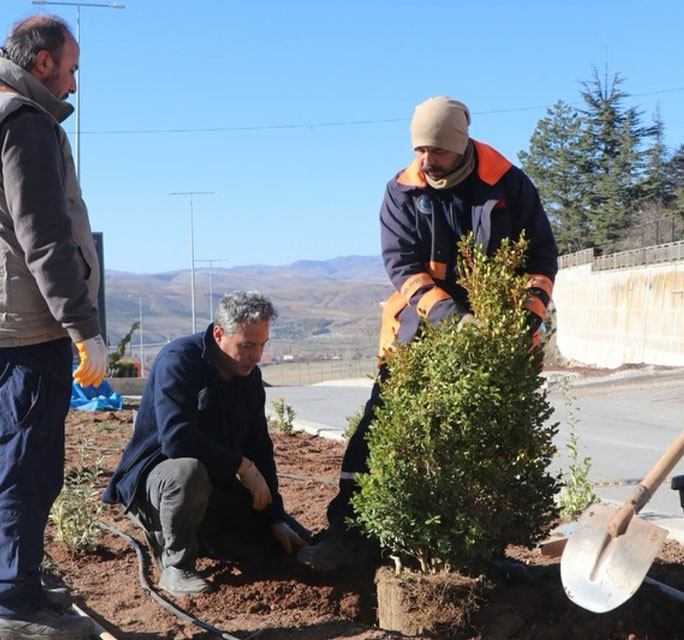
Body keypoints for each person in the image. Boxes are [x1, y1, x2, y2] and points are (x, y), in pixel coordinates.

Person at [297, 96, 558, 571]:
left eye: (436, 151)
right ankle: (349, 536)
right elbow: (403, 266)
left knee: (487, 440)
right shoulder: (401, 191)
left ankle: (480, 550)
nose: (425, 160)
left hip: (498, 337)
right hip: (420, 327)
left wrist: (521, 323)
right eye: (419, 149)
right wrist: (454, 319)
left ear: (460, 146)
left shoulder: (508, 183)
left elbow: (541, 258)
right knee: (381, 427)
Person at [0, 14, 111, 640]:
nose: (74, 85)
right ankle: (14, 604)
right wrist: (84, 327)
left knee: (12, 459)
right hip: (24, 328)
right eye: (71, 69)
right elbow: (45, 239)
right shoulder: (21, 121)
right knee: (28, 468)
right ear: (41, 64)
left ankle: (22, 578)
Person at [103, 291, 310, 597]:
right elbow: (177, 440)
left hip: (214, 484)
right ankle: (176, 565)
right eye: (247, 345)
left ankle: (208, 531)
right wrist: (241, 465)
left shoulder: (249, 377)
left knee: (287, 545)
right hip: (160, 484)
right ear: (218, 334)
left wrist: (275, 517)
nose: (256, 355)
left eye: (263, 345)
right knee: (188, 471)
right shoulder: (180, 361)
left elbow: (259, 448)